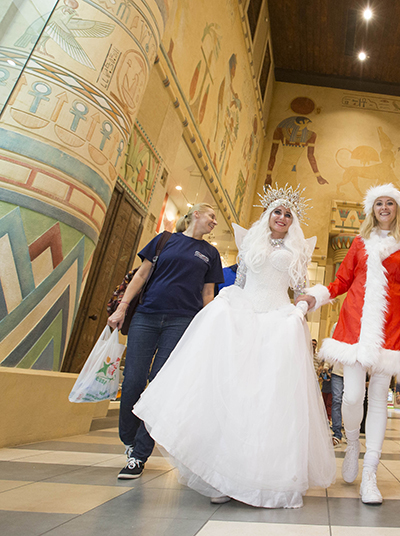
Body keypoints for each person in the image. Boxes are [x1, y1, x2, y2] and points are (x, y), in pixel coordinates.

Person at [133, 184, 336, 508]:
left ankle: (262, 475)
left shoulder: (298, 251)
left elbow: (299, 289)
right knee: (233, 393)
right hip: (242, 317)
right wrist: (226, 301)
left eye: (287, 214)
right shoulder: (250, 243)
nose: (282, 217)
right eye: (277, 212)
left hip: (276, 323)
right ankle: (222, 475)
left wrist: (300, 309)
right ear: (268, 216)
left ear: (292, 221)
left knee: (265, 400)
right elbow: (239, 282)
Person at [299, 183, 400, 505]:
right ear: (372, 209)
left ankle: (371, 474)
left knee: (378, 398)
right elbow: (341, 281)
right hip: (354, 328)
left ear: (397, 210)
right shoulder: (358, 243)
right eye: (378, 203)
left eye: (389, 203)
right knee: (352, 398)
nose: (384, 208)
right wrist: (316, 296)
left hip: (389, 330)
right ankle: (352, 443)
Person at [108, 202, 223, 479]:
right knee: (134, 379)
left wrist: (211, 326)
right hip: (146, 316)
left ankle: (139, 455)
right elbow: (142, 275)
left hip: (182, 322)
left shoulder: (211, 253)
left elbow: (208, 295)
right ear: (196, 214)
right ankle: (129, 438)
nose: (214, 222)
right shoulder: (164, 240)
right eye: (211, 216)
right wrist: (123, 307)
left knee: (160, 385)